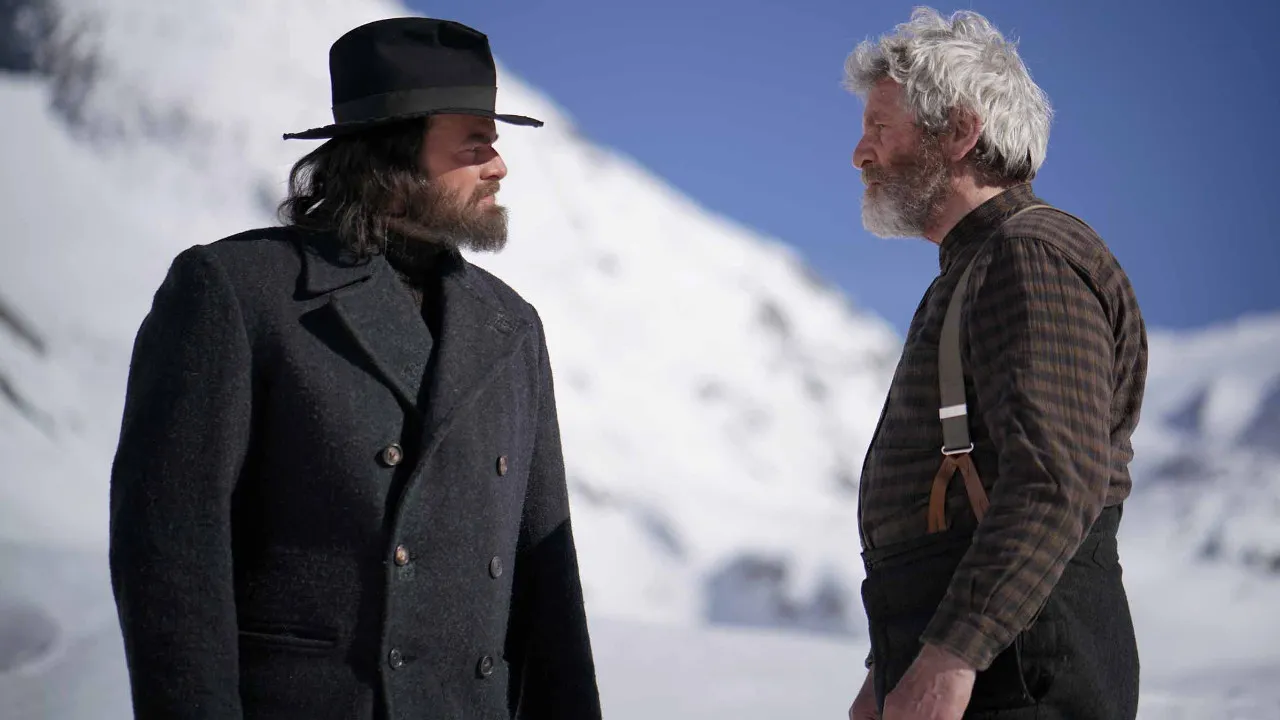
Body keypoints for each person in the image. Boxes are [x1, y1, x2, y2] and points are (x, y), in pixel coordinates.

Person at [108, 17, 602, 720]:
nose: (498, 165)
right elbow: (170, 556)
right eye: (475, 143)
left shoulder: (512, 326)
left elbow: (548, 588)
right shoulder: (239, 291)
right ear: (394, 154)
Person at [841, 8, 1147, 720]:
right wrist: (889, 669)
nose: (859, 153)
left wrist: (950, 657)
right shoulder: (982, 263)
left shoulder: (1028, 253)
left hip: (1019, 673)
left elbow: (1053, 480)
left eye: (880, 127)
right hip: (991, 661)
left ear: (958, 131)